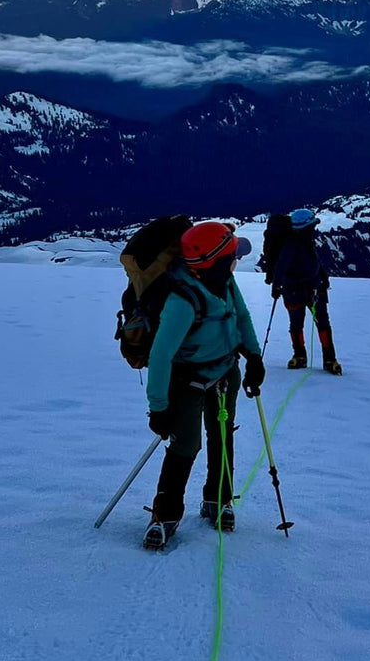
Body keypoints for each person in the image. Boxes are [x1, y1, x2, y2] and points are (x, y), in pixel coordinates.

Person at [143, 220, 265, 549]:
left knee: (222, 436)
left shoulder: (222, 281)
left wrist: (253, 356)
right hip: (188, 382)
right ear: (216, 262)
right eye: (232, 257)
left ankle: (218, 501)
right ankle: (165, 515)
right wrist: (159, 407)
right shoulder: (182, 300)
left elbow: (241, 317)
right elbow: (160, 357)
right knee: (185, 447)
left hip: (226, 372)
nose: (236, 262)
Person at [264, 207, 342, 375]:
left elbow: (281, 267)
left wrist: (276, 286)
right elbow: (287, 265)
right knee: (322, 323)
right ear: (307, 227)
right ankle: (329, 359)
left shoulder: (298, 242)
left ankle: (300, 356)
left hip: (293, 291)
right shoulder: (299, 243)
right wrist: (323, 277)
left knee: (296, 324)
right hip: (313, 288)